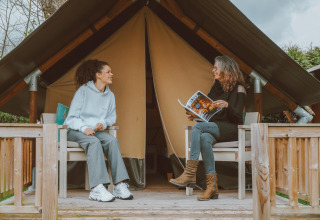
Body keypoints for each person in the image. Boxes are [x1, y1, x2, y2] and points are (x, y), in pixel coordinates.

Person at [170, 55, 246, 201]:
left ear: (225, 68)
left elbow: (237, 117)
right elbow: (210, 114)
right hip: (216, 127)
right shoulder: (217, 87)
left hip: (233, 129)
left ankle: (189, 172)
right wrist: (196, 115)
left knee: (198, 128)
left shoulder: (239, 88)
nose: (213, 70)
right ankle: (212, 188)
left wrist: (227, 105)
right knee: (204, 137)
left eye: (216, 67)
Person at [64, 59, 133, 202]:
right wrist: (84, 128)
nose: (111, 74)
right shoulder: (83, 91)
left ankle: (119, 185)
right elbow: (71, 118)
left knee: (112, 141)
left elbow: (111, 118)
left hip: (96, 131)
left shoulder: (110, 95)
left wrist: (103, 122)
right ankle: (97, 188)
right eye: (108, 72)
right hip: (75, 130)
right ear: (98, 75)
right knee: (94, 142)